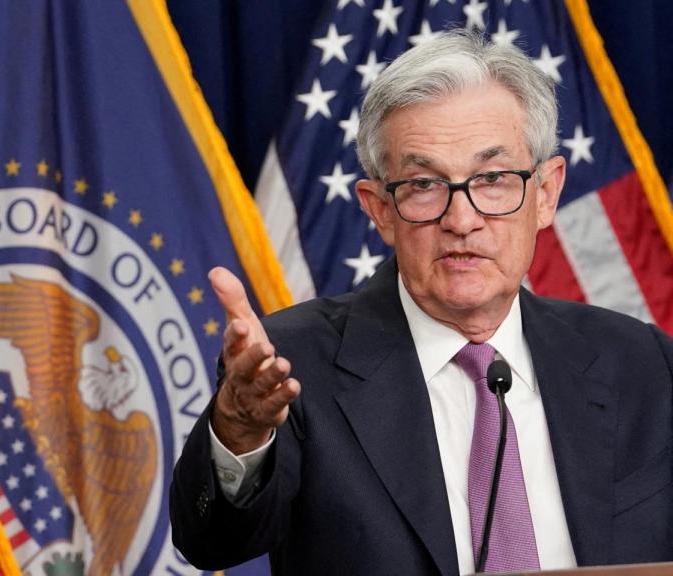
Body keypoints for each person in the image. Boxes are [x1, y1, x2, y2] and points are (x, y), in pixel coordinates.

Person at [169, 29, 673, 575]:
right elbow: (212, 543)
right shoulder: (295, 363)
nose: (462, 220)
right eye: (425, 184)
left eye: (494, 179)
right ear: (379, 209)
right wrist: (239, 431)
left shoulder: (642, 362)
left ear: (545, 194)